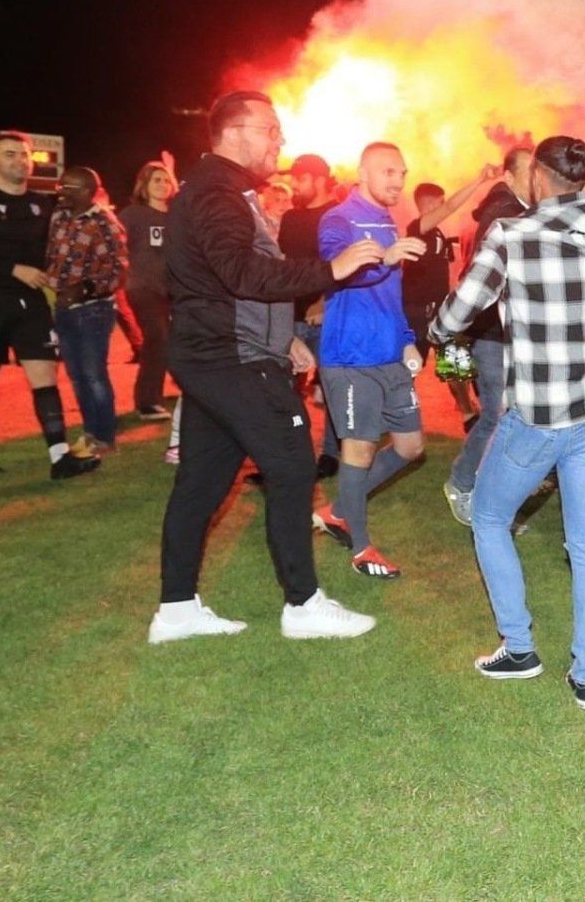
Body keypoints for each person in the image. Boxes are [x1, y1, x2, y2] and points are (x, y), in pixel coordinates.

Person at [431, 108, 585, 710]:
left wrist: (438, 332)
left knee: (489, 518)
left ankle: (519, 647)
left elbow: (458, 312)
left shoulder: (511, 236)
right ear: (581, 177)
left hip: (537, 420)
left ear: (540, 177)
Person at [149, 90, 386, 645]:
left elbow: (228, 283)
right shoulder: (217, 193)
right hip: (232, 358)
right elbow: (242, 274)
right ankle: (303, 605)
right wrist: (332, 268)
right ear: (235, 133)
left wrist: (285, 339)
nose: (281, 140)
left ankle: (177, 610)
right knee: (294, 467)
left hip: (221, 353)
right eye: (271, 129)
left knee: (202, 482)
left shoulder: (224, 190)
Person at [0, 130, 98, 478]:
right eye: (9, 154)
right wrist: (13, 269)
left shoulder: (46, 205)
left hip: (31, 303)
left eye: (23, 155)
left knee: (45, 376)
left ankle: (59, 457)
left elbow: (59, 252)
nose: (19, 160)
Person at [310, 142, 429, 577]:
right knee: (359, 448)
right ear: (362, 173)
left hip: (389, 354)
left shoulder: (386, 220)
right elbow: (339, 270)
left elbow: (389, 293)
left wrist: (406, 340)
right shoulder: (338, 219)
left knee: (411, 447)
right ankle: (361, 549)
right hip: (350, 356)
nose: (398, 181)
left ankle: (340, 510)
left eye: (402, 173)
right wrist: (385, 257)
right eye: (388, 172)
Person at [444, 145, 534, 512]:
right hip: (492, 334)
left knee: (513, 414)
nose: (537, 178)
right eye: (529, 171)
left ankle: (500, 487)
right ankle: (463, 483)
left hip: (504, 332)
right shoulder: (504, 213)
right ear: (509, 176)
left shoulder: (517, 209)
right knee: (497, 414)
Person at [400, 170, 497, 444]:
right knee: (409, 369)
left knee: (455, 364)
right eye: (440, 203)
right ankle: (396, 417)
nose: (446, 207)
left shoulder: (437, 233)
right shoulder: (417, 228)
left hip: (441, 311)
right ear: (430, 204)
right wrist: (479, 179)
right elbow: (452, 205)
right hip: (417, 312)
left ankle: (468, 415)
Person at [47, 166, 128, 456]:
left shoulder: (104, 222)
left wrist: (84, 289)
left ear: (85, 191)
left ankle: (104, 437)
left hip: (93, 310)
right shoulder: (59, 216)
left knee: (94, 375)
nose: (60, 191)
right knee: (77, 376)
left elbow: (118, 270)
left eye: (66, 187)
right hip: (63, 308)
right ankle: (90, 432)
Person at [276, 154, 342, 471]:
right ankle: (290, 453)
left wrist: (325, 300)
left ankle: (330, 455)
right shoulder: (291, 218)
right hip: (292, 316)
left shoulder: (340, 215)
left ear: (319, 179)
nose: (293, 185)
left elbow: (350, 265)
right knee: (284, 391)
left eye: (299, 178)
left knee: (332, 389)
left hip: (329, 317)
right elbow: (286, 265)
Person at [118, 161, 178, 418]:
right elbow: (116, 247)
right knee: (157, 337)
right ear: (144, 184)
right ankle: (147, 402)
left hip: (176, 291)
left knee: (181, 340)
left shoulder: (177, 217)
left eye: (166, 180)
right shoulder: (133, 215)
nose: (163, 185)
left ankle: (188, 387)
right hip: (143, 287)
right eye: (156, 180)